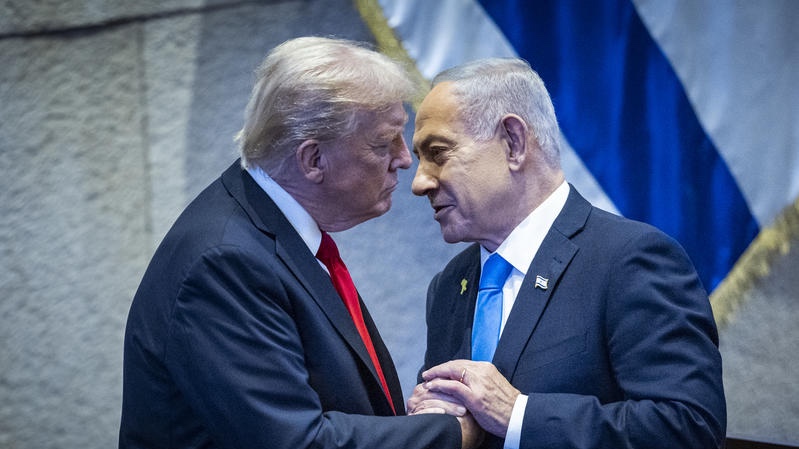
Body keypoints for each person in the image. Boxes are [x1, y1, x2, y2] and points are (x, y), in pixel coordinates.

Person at [119, 36, 481, 449]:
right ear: (313, 160)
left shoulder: (267, 228)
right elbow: (298, 442)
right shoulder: (225, 263)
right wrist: (453, 431)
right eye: (384, 143)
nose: (403, 159)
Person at [406, 57, 726, 449]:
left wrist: (518, 415)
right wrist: (433, 425)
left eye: (438, 153)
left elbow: (689, 428)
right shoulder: (448, 287)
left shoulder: (629, 260)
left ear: (513, 142)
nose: (419, 182)